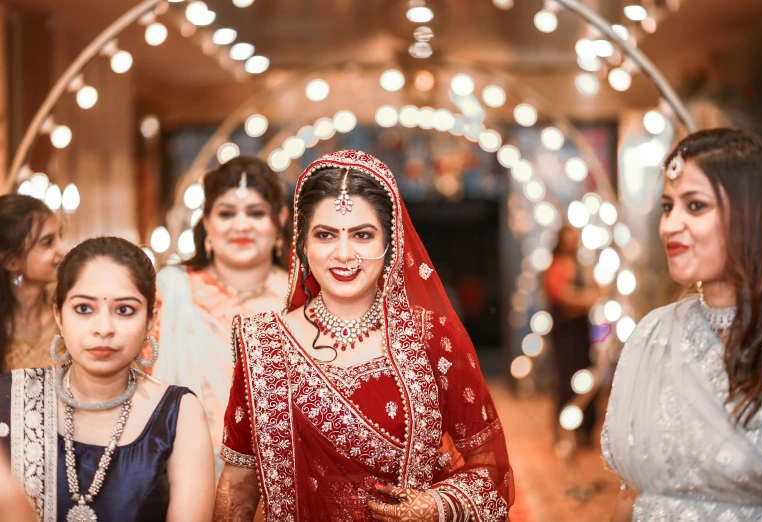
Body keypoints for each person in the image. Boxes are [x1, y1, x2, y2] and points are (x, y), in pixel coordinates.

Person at [214, 150, 513, 522]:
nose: (343, 254)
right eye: (325, 235)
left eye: (362, 235)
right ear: (303, 246)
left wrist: (438, 506)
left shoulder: (430, 337)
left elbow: (488, 468)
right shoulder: (263, 345)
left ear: (390, 246)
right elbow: (238, 479)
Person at [602, 129, 762, 520]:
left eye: (695, 206)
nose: (669, 226)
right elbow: (629, 495)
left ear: (752, 213)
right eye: (668, 207)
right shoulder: (652, 336)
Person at [0, 237, 214, 522]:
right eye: (84, 309)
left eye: (124, 310)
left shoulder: (180, 413)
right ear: (59, 315)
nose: (103, 328)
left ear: (150, 319)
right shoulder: (9, 398)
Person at [149, 155, 289, 478]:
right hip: (180, 473)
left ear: (279, 219)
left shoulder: (300, 300)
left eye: (256, 213)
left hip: (281, 480)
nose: (241, 225)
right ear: (207, 223)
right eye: (226, 213)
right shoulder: (171, 290)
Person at [542, 226, 602, 446]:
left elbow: (598, 291)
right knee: (566, 378)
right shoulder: (555, 267)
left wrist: (586, 297)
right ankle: (565, 431)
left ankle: (586, 430)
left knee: (585, 375)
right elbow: (564, 297)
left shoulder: (581, 266)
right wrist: (586, 299)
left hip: (582, 331)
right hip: (566, 332)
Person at [0, 194, 67, 371]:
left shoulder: (67, 314)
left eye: (60, 236)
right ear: (11, 262)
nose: (63, 249)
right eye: (48, 243)